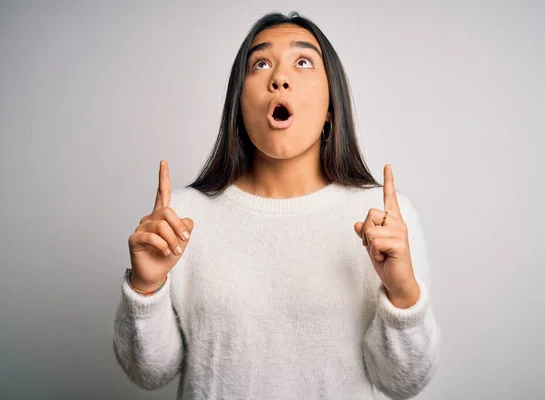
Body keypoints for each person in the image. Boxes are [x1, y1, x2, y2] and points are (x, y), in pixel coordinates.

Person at [113, 11, 440, 400]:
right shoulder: (179, 221)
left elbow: (404, 381)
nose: (279, 77)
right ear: (239, 105)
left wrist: (402, 292)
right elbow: (149, 373)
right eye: (261, 63)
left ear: (332, 107)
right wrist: (145, 287)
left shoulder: (385, 219)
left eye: (303, 62)